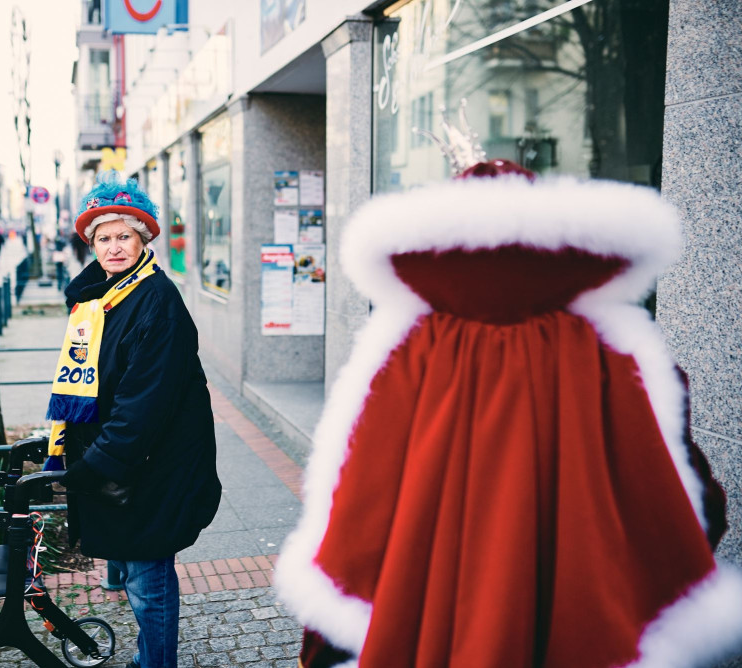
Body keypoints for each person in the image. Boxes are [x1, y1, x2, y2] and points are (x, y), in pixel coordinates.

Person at [276, 158, 740, 667]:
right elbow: (690, 508)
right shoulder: (621, 351)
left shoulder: (398, 351)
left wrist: (319, 648)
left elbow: (360, 508)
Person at [45, 172, 221, 668]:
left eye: (125, 236)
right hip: (120, 462)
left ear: (143, 240)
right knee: (130, 564)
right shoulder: (97, 300)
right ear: (92, 244)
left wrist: (94, 465)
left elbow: (144, 404)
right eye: (104, 238)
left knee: (148, 580)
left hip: (148, 467)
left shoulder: (155, 301)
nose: (114, 247)